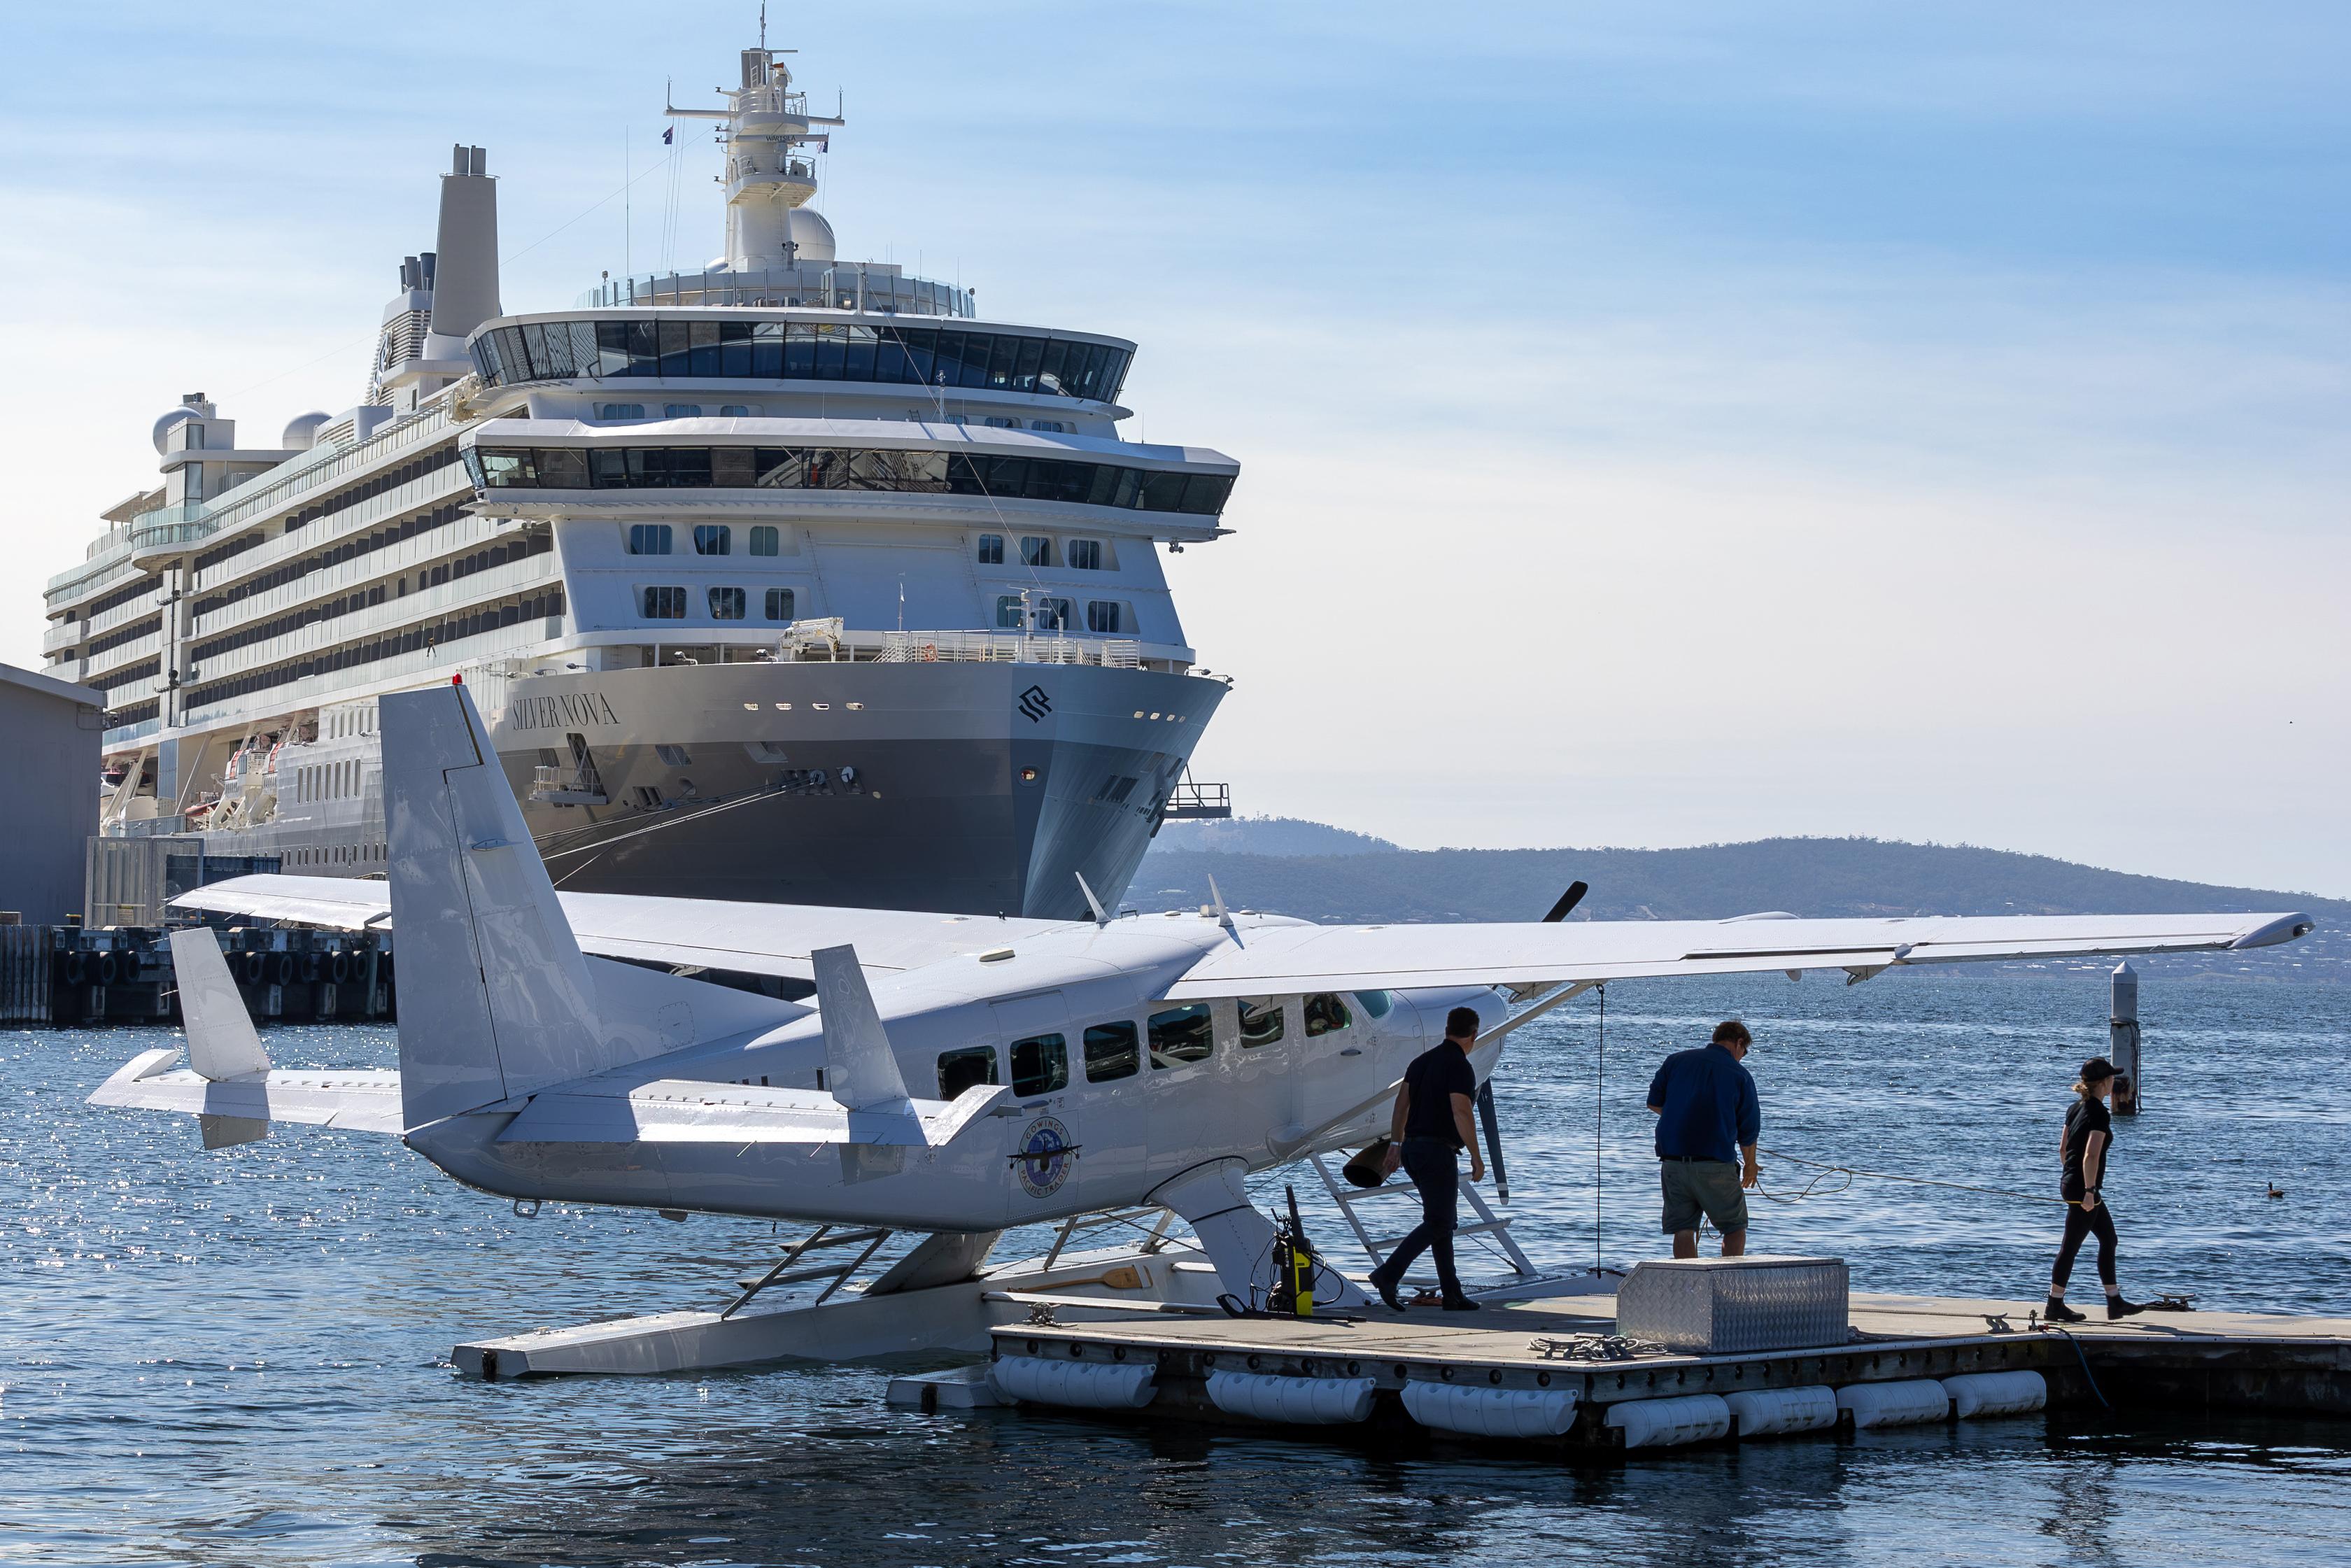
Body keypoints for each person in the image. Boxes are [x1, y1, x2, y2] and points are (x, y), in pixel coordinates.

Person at [1366, 1006, 1486, 1312]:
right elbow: (1461, 1111)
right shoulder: (1459, 1066)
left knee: (1441, 1221)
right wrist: (1476, 1155)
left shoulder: (1421, 1062)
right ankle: (1388, 1274)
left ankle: (1452, 1294)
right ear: (1474, 1034)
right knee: (1440, 1221)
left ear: (1446, 1030)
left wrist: (1396, 1144)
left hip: (1413, 1150)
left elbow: (1401, 1105)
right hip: (1437, 1152)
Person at [1646, 1020, 1762, 1258]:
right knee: (1734, 1227)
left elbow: (1654, 1103)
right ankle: (1730, 1279)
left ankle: (1689, 1281)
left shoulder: (1675, 1061)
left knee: (1683, 1230)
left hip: (1673, 1164)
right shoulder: (1739, 1074)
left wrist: (1684, 1116)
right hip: (1714, 1165)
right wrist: (1750, 1165)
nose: (1742, 1058)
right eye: (1744, 1052)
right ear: (1739, 1043)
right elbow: (1748, 1130)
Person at [2045, 1057, 2147, 1322]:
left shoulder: (2075, 1108)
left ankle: (2114, 1302)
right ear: (2104, 1083)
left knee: (2108, 1239)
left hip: (2073, 1183)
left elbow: (2063, 1149)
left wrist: (2072, 1179)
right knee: (2070, 1246)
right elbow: (2091, 1155)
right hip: (2085, 1189)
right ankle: (2054, 1305)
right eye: (2112, 1078)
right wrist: (2089, 1190)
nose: (2114, 1081)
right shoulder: (2099, 1113)